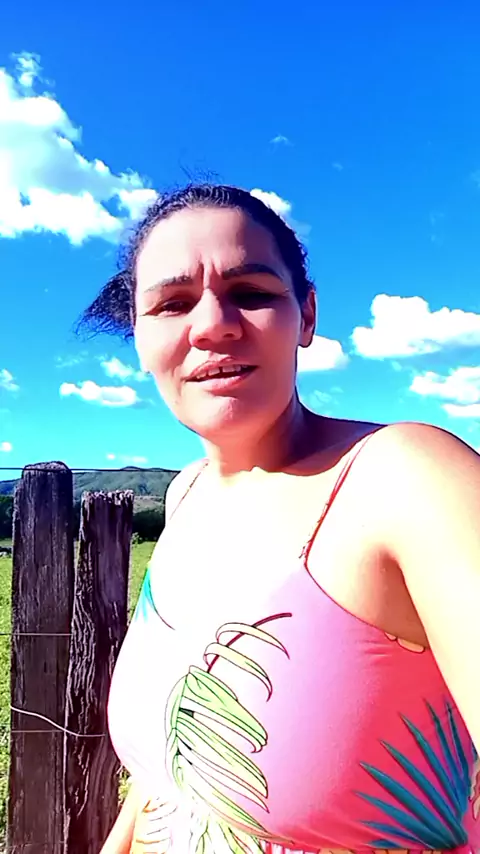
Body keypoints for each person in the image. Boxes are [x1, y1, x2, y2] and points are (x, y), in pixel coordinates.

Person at [79, 184, 480, 854]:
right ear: (140, 338)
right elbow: (166, 780)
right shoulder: (186, 496)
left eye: (252, 292)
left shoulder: (406, 481)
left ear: (307, 316)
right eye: (173, 303)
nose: (213, 325)